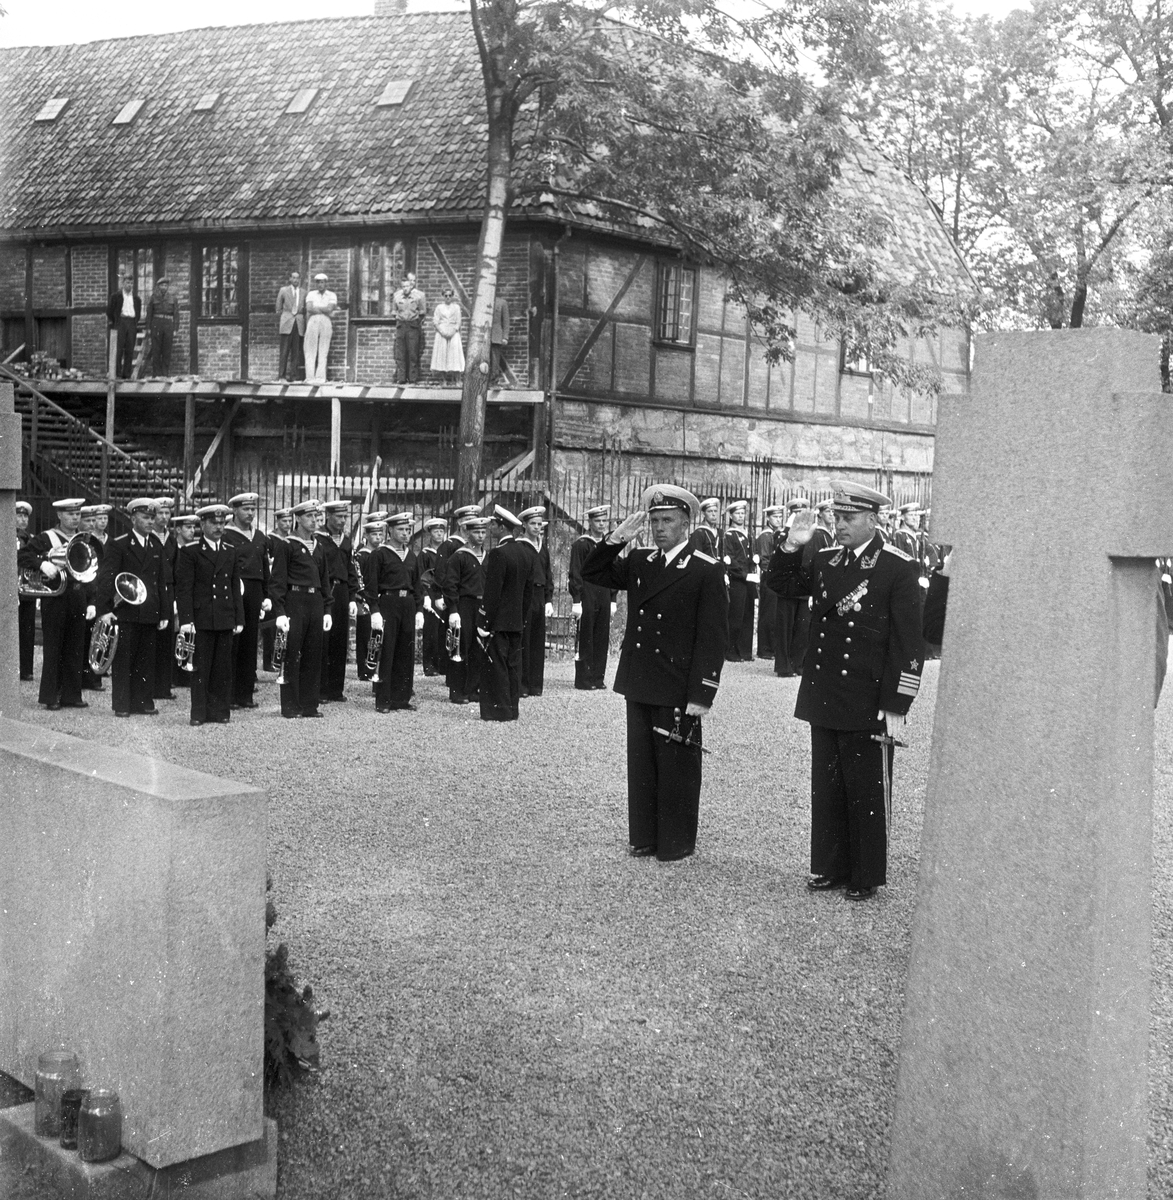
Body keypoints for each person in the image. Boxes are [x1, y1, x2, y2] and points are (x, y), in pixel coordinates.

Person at [765, 480, 925, 901]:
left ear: (873, 520)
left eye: (849, 518)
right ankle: (828, 866)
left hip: (868, 696)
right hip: (826, 691)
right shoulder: (826, 560)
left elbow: (910, 644)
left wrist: (897, 702)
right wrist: (789, 546)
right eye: (837, 517)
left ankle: (865, 873)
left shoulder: (896, 566)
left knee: (864, 787)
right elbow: (781, 584)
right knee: (828, 784)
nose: (839, 525)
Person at [581, 485, 729, 861]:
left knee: (677, 764)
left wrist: (702, 693)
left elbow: (712, 639)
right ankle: (644, 836)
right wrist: (616, 539)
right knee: (642, 762)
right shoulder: (641, 561)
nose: (659, 528)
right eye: (654, 521)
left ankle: (676, 841)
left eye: (667, 521)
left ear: (686, 525)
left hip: (677, 683)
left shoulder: (704, 569)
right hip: (641, 677)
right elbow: (593, 571)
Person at [95, 498, 169, 717]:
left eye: (152, 518)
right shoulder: (120, 544)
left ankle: (142, 701)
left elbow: (161, 581)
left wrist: (164, 611)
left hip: (149, 611)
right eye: (145, 518)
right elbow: (106, 578)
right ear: (133, 519)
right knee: (124, 658)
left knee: (146, 659)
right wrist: (105, 609)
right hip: (125, 611)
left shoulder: (155, 544)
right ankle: (122, 704)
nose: (150, 522)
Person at [175, 503, 244, 726]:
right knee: (201, 667)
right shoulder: (190, 552)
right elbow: (184, 589)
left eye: (222, 523)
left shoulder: (230, 551)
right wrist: (186, 620)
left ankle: (220, 711)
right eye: (213, 523)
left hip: (224, 617)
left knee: (222, 668)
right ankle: (199, 713)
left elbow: (235, 587)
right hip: (202, 618)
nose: (218, 527)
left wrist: (239, 618)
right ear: (202, 524)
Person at [18, 497, 89, 710]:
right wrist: (42, 564)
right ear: (59, 515)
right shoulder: (46, 537)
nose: (75, 517)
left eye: (77, 514)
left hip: (77, 595)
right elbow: (22, 555)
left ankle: (72, 695)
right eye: (70, 514)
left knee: (76, 646)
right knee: (54, 647)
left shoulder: (83, 538)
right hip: (56, 597)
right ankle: (51, 696)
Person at [269, 499, 334, 719]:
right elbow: (277, 581)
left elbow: (325, 581)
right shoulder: (287, 545)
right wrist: (280, 612)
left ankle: (309, 705)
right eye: (309, 517)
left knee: (313, 655)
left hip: (314, 601)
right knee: (292, 654)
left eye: (317, 517)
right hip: (294, 601)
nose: (315, 521)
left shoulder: (320, 547)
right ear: (298, 518)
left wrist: (327, 609)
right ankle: (290, 706)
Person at [477, 505, 535, 722]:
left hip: (498, 621)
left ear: (501, 527)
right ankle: (512, 708)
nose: (490, 527)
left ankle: (498, 709)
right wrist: (522, 618)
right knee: (513, 665)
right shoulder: (526, 553)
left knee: (497, 665)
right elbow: (527, 593)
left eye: (493, 524)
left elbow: (492, 592)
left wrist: (483, 620)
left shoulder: (499, 553)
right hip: (516, 621)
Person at [364, 511, 424, 713]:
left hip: (407, 603)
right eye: (401, 529)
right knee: (388, 651)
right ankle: (384, 699)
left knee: (405, 652)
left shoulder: (412, 556)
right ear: (390, 531)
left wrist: (419, 610)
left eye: (408, 530)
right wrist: (374, 610)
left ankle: (402, 698)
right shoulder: (379, 554)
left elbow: (417, 584)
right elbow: (371, 585)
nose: (406, 534)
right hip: (388, 603)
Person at [223, 492, 272, 709]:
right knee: (234, 642)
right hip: (236, 590)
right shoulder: (226, 535)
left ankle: (245, 694)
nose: (250, 513)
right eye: (246, 509)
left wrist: (266, 594)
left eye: (253, 509)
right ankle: (230, 695)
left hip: (254, 591)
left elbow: (265, 568)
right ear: (234, 510)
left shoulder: (260, 536)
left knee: (250, 642)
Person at [568, 504, 618, 690]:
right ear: (589, 522)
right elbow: (575, 573)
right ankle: (584, 679)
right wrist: (576, 600)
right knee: (586, 635)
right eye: (597, 521)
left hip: (604, 592)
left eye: (604, 520)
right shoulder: (581, 544)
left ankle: (598, 677)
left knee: (601, 636)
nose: (601, 524)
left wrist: (613, 599)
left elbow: (614, 571)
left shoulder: (608, 545)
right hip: (587, 593)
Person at [442, 515, 489, 704]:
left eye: (483, 532)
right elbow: (450, 584)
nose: (480, 536)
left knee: (478, 647)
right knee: (460, 647)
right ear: (467, 533)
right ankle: (457, 691)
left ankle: (473, 689)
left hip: (481, 606)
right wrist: (453, 609)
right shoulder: (459, 556)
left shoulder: (487, 557)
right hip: (464, 605)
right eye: (476, 532)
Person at [317, 499, 361, 702]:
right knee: (324, 641)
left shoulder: (346, 541)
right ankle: (321, 690)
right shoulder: (319, 539)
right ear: (328, 516)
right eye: (339, 517)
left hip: (342, 592)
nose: (343, 521)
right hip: (326, 591)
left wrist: (352, 597)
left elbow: (351, 570)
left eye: (345, 517)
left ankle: (336, 689)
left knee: (339, 641)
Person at [432, 505, 481, 676]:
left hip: (468, 597)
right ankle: (451, 673)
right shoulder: (450, 545)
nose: (469, 524)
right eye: (467, 521)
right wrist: (438, 594)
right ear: (460, 522)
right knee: (454, 637)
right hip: (453, 597)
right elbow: (441, 571)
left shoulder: (474, 546)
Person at [517, 505, 553, 697]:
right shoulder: (521, 546)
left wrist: (548, 599)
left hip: (540, 596)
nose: (537, 527)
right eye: (533, 524)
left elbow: (548, 574)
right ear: (524, 525)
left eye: (540, 524)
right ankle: (522, 685)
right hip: (526, 595)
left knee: (538, 641)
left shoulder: (542, 547)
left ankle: (535, 685)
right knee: (524, 639)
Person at [773, 497, 810, 677]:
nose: (798, 517)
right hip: (787, 588)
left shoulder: (811, 534)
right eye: (795, 513)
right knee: (785, 629)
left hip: (803, 587)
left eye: (801, 513)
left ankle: (797, 664)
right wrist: (788, 532)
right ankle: (783, 666)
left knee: (802, 628)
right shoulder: (781, 535)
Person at [78, 503, 112, 692]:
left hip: (95, 595)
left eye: (93, 520)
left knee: (95, 640)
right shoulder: (77, 541)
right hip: (78, 594)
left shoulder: (95, 543)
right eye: (88, 520)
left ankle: (93, 679)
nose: (91, 524)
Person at [151, 496, 178, 700]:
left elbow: (176, 569)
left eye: (167, 513)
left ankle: (163, 686)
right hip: (151, 590)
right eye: (160, 513)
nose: (164, 516)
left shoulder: (171, 539)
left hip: (168, 590)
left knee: (167, 638)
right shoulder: (148, 536)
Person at [723, 499, 756, 661]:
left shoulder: (747, 534)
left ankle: (744, 650)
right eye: (737, 513)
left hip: (749, 579)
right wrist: (743, 575)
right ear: (731, 515)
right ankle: (730, 650)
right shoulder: (729, 535)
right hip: (737, 579)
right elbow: (730, 559)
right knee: (735, 616)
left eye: (743, 513)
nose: (741, 516)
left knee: (747, 615)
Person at [262, 506, 294, 671]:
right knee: (272, 622)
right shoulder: (270, 539)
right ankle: (269, 661)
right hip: (273, 581)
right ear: (277, 521)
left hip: (287, 583)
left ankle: (281, 657)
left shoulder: (292, 539)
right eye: (284, 521)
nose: (288, 524)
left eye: (290, 520)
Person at [354, 519, 385, 681]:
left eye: (381, 534)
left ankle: (375, 667)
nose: (378, 538)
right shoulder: (362, 555)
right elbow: (359, 580)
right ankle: (364, 669)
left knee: (378, 636)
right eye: (374, 534)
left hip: (380, 600)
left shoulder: (382, 554)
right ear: (366, 535)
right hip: (364, 600)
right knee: (366, 636)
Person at [418, 517, 448, 676]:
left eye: (441, 531)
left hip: (444, 594)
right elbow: (422, 577)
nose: (439, 534)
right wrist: (426, 596)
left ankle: (442, 664)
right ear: (430, 534)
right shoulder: (425, 554)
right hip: (430, 595)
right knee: (431, 631)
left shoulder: (446, 551)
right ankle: (429, 665)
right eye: (435, 531)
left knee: (444, 631)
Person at [756, 505, 784, 660]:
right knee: (768, 613)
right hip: (769, 577)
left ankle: (771, 647)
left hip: (775, 577)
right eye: (775, 517)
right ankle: (765, 649)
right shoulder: (766, 535)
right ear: (768, 518)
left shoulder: (776, 534)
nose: (778, 520)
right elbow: (765, 559)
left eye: (780, 517)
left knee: (774, 613)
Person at [392, 272, 427, 384]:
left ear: (411, 286)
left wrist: (415, 322)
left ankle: (412, 378)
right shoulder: (397, 296)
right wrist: (400, 320)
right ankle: (401, 378)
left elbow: (422, 312)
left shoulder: (418, 297)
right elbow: (394, 312)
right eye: (403, 286)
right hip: (401, 325)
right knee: (400, 353)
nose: (405, 289)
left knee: (413, 353)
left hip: (413, 326)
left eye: (407, 286)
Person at [304, 274, 338, 384]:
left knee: (323, 348)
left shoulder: (331, 295)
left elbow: (330, 309)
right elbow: (309, 308)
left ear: (326, 283)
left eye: (322, 282)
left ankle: (320, 377)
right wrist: (323, 308)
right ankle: (310, 377)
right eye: (318, 282)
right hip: (313, 321)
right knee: (310, 348)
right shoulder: (311, 294)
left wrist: (317, 308)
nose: (320, 284)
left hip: (325, 321)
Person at [15, 500, 36, 681]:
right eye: (18, 515)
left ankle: (26, 669)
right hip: (11, 589)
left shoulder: (31, 539)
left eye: (25, 516)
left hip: (26, 590)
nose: (22, 520)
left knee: (27, 630)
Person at [106, 273, 141, 379]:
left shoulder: (136, 298)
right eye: (127, 282)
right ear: (123, 283)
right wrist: (116, 321)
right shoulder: (116, 296)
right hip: (120, 322)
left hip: (131, 323)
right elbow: (109, 311)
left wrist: (134, 322)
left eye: (131, 283)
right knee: (119, 348)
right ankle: (117, 373)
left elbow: (138, 314)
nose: (129, 285)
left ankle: (126, 374)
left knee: (130, 349)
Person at [145, 276, 179, 377]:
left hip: (168, 324)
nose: (164, 287)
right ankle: (156, 374)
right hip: (156, 324)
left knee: (166, 350)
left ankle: (165, 374)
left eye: (165, 285)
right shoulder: (153, 297)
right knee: (156, 349)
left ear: (167, 286)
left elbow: (176, 314)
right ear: (159, 286)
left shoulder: (173, 298)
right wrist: (148, 328)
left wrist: (175, 328)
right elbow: (149, 313)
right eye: (162, 285)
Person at [276, 270, 306, 381]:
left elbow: (305, 309)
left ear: (300, 279)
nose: (295, 280)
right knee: (284, 351)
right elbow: (278, 308)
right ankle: (281, 376)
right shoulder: (283, 290)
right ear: (290, 279)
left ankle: (293, 376)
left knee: (296, 352)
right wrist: (285, 318)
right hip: (287, 323)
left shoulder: (303, 292)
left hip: (298, 323)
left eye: (297, 278)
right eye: (293, 277)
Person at [430, 288, 464, 382]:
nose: (448, 297)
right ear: (443, 296)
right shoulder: (439, 307)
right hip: (442, 333)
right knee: (442, 354)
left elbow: (459, 321)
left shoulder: (456, 307)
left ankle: (457, 380)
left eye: (450, 295)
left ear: (452, 296)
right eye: (446, 295)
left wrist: (453, 331)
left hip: (453, 332)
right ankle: (443, 380)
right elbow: (435, 321)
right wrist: (442, 332)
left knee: (454, 355)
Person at [490, 293, 510, 384]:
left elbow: (506, 321)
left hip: (496, 335)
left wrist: (505, 337)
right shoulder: (483, 301)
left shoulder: (502, 302)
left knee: (495, 359)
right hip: (484, 335)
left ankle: (494, 379)